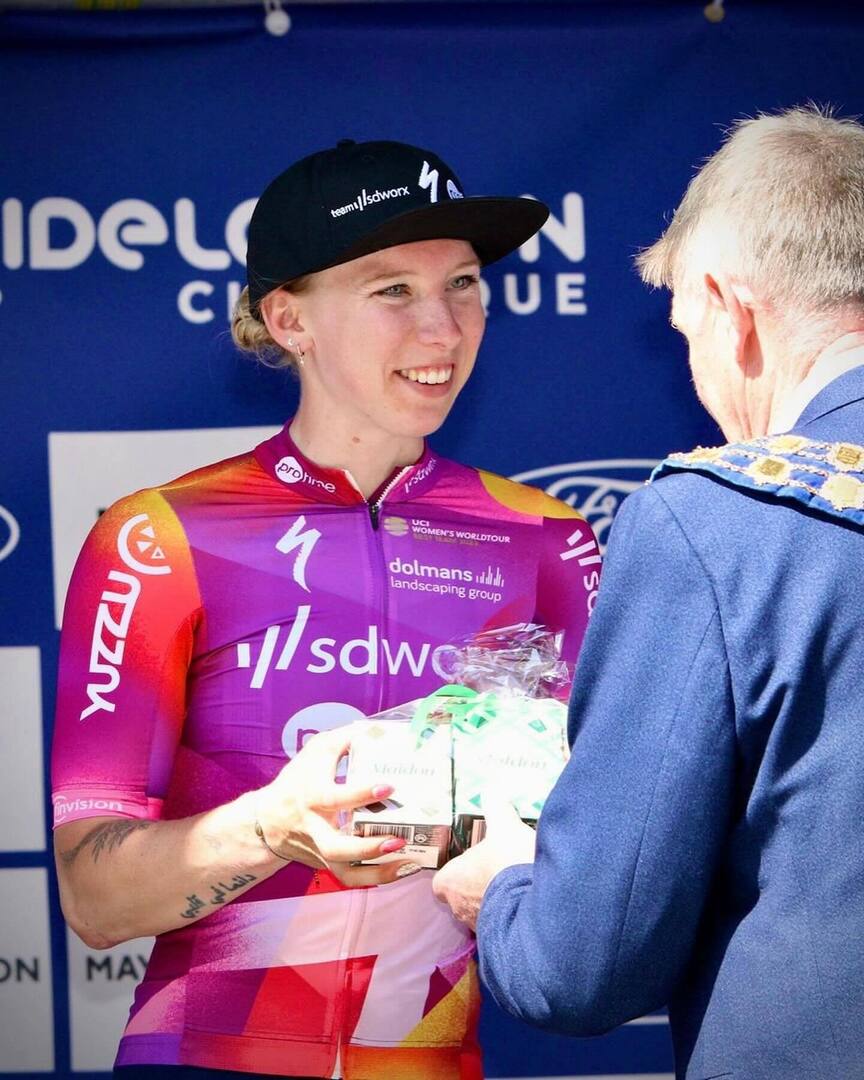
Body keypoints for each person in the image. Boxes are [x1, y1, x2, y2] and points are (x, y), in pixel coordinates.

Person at [51, 138, 600, 1080]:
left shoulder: (550, 538)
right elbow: (94, 898)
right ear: (287, 319)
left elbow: (607, 837)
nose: (444, 329)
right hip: (205, 1059)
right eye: (392, 290)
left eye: (464, 284)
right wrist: (271, 825)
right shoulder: (162, 538)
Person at [432, 105, 864, 1079]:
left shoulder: (716, 523)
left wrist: (504, 884)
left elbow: (586, 965)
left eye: (685, 332)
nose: (699, 375)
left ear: (729, 305)